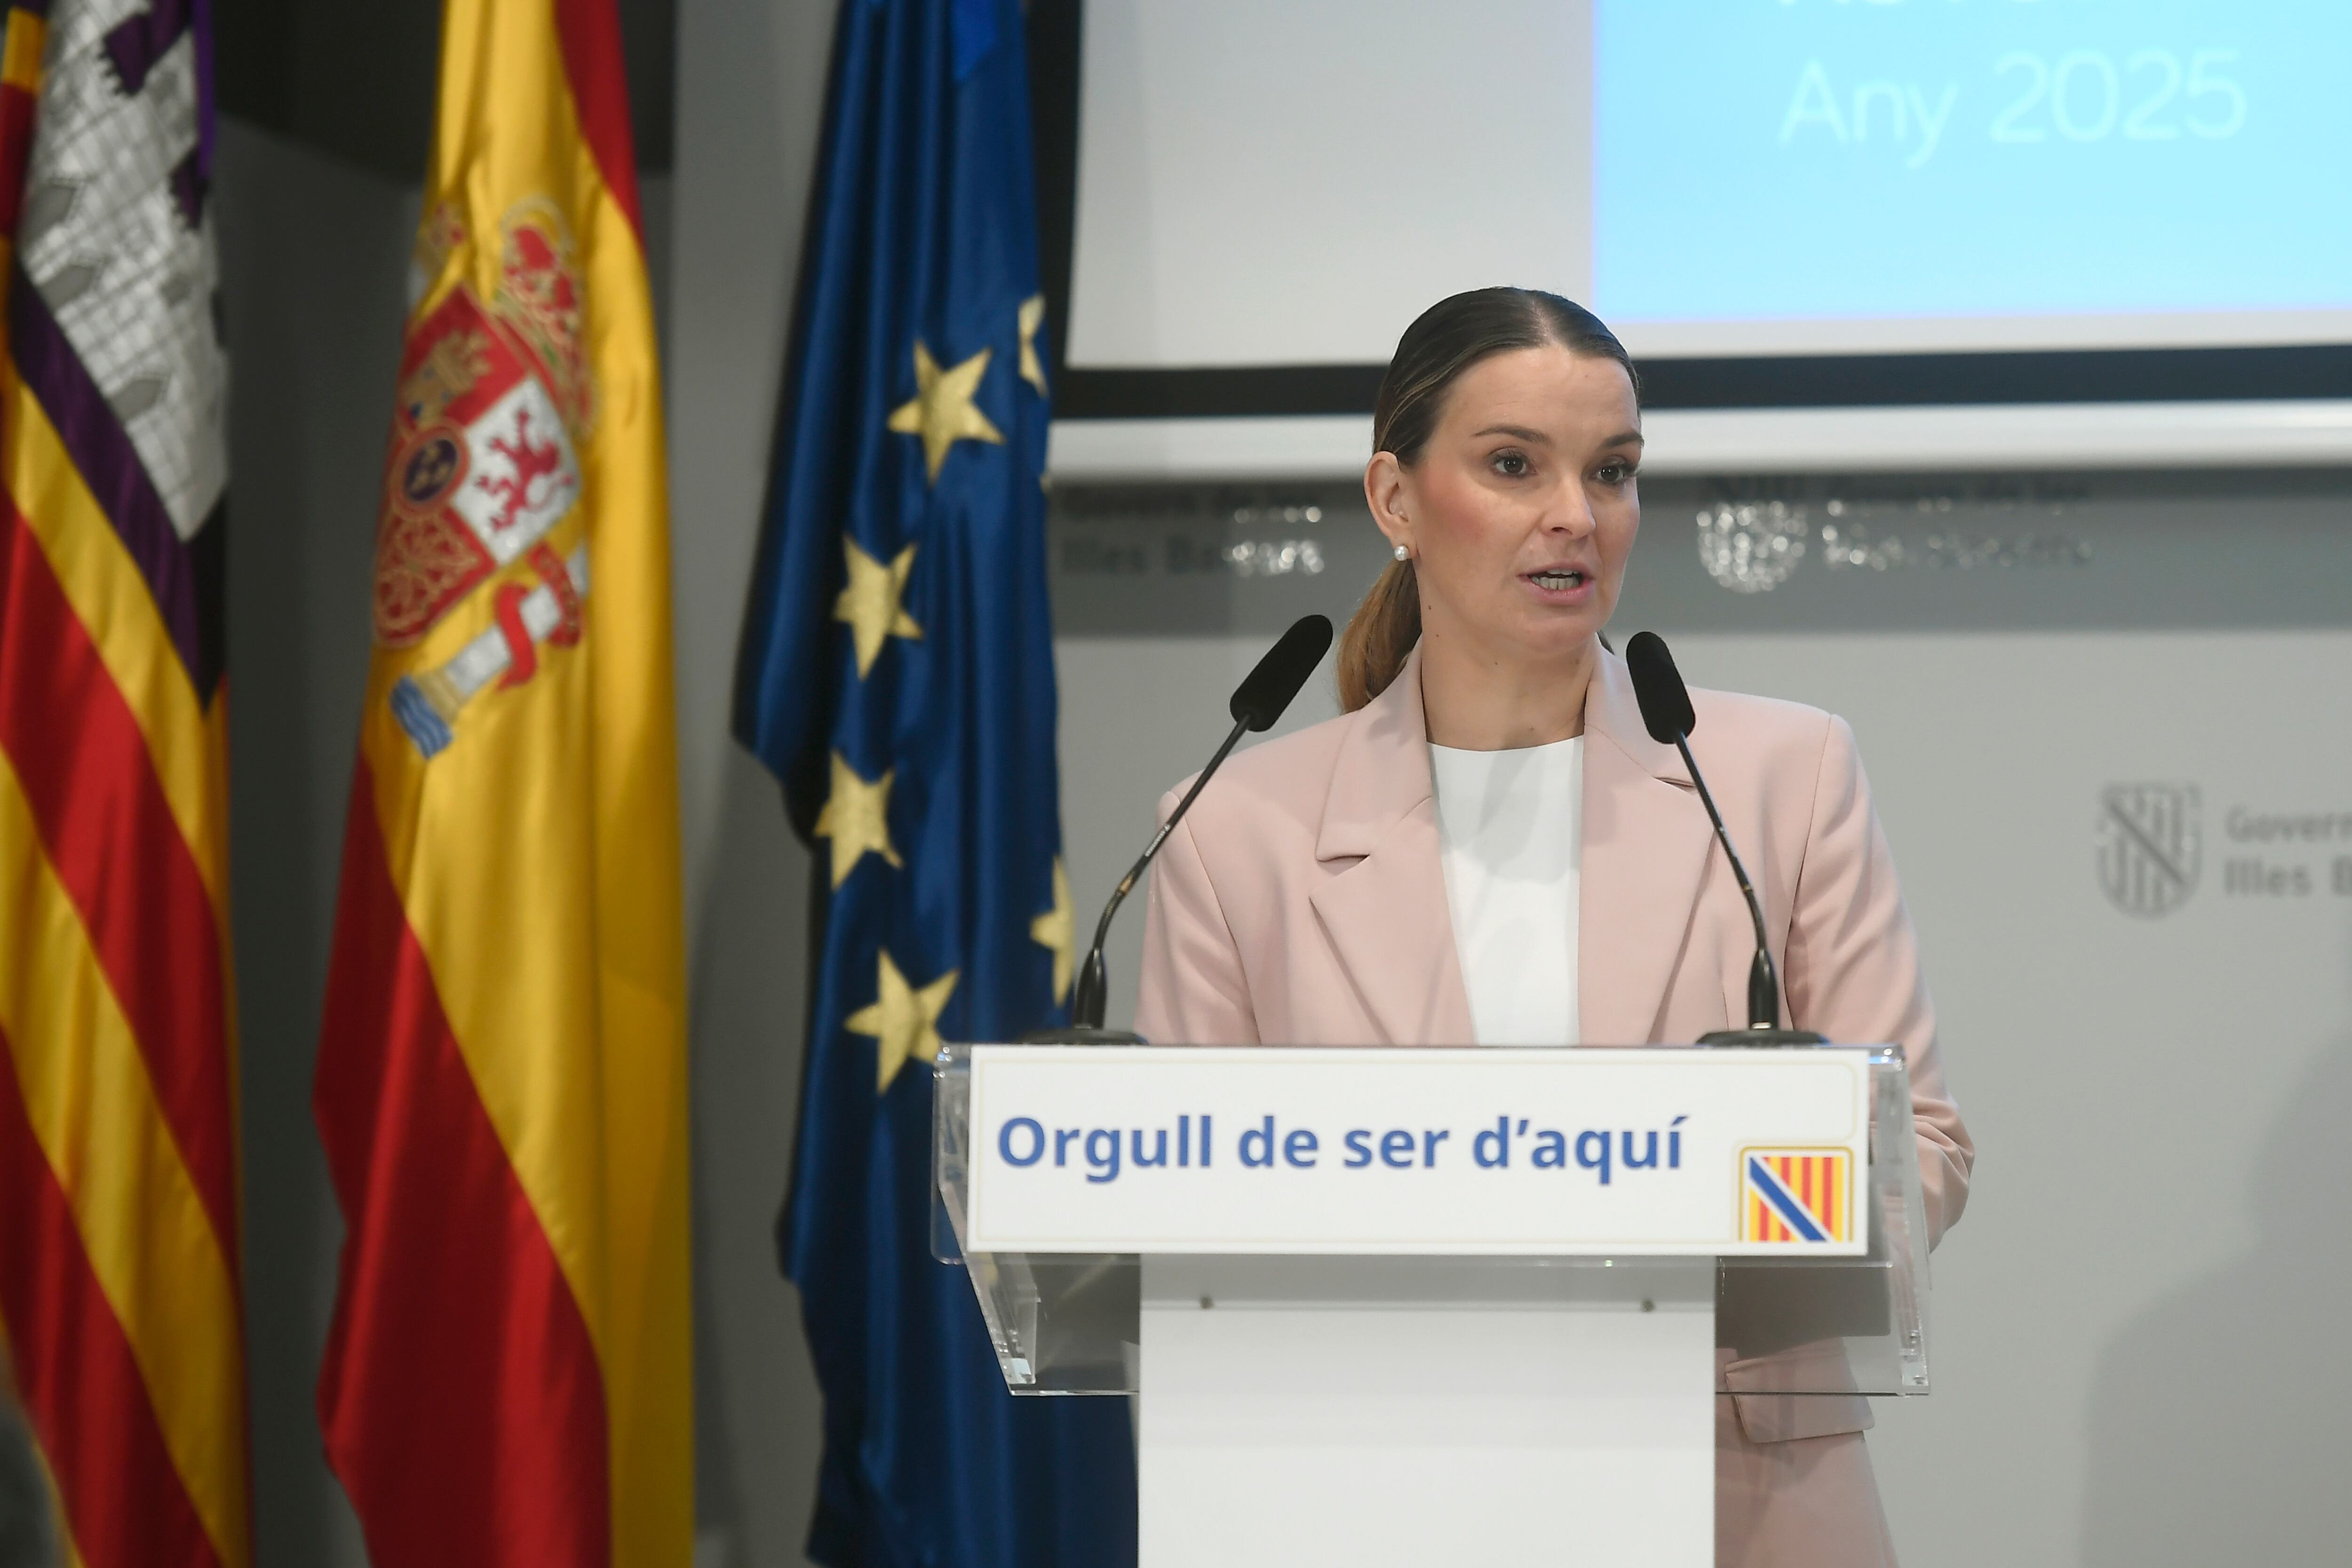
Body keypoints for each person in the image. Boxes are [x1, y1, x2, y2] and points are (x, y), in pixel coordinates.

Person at [1133, 287, 1974, 1568]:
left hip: (1733, 1494)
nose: (1577, 515)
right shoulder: (1235, 830)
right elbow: (1173, 1204)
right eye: (1515, 466)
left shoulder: (1778, 778)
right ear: (1395, 498)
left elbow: (1922, 1148)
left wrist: (1709, 1205)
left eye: (1613, 471)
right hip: (1377, 1497)